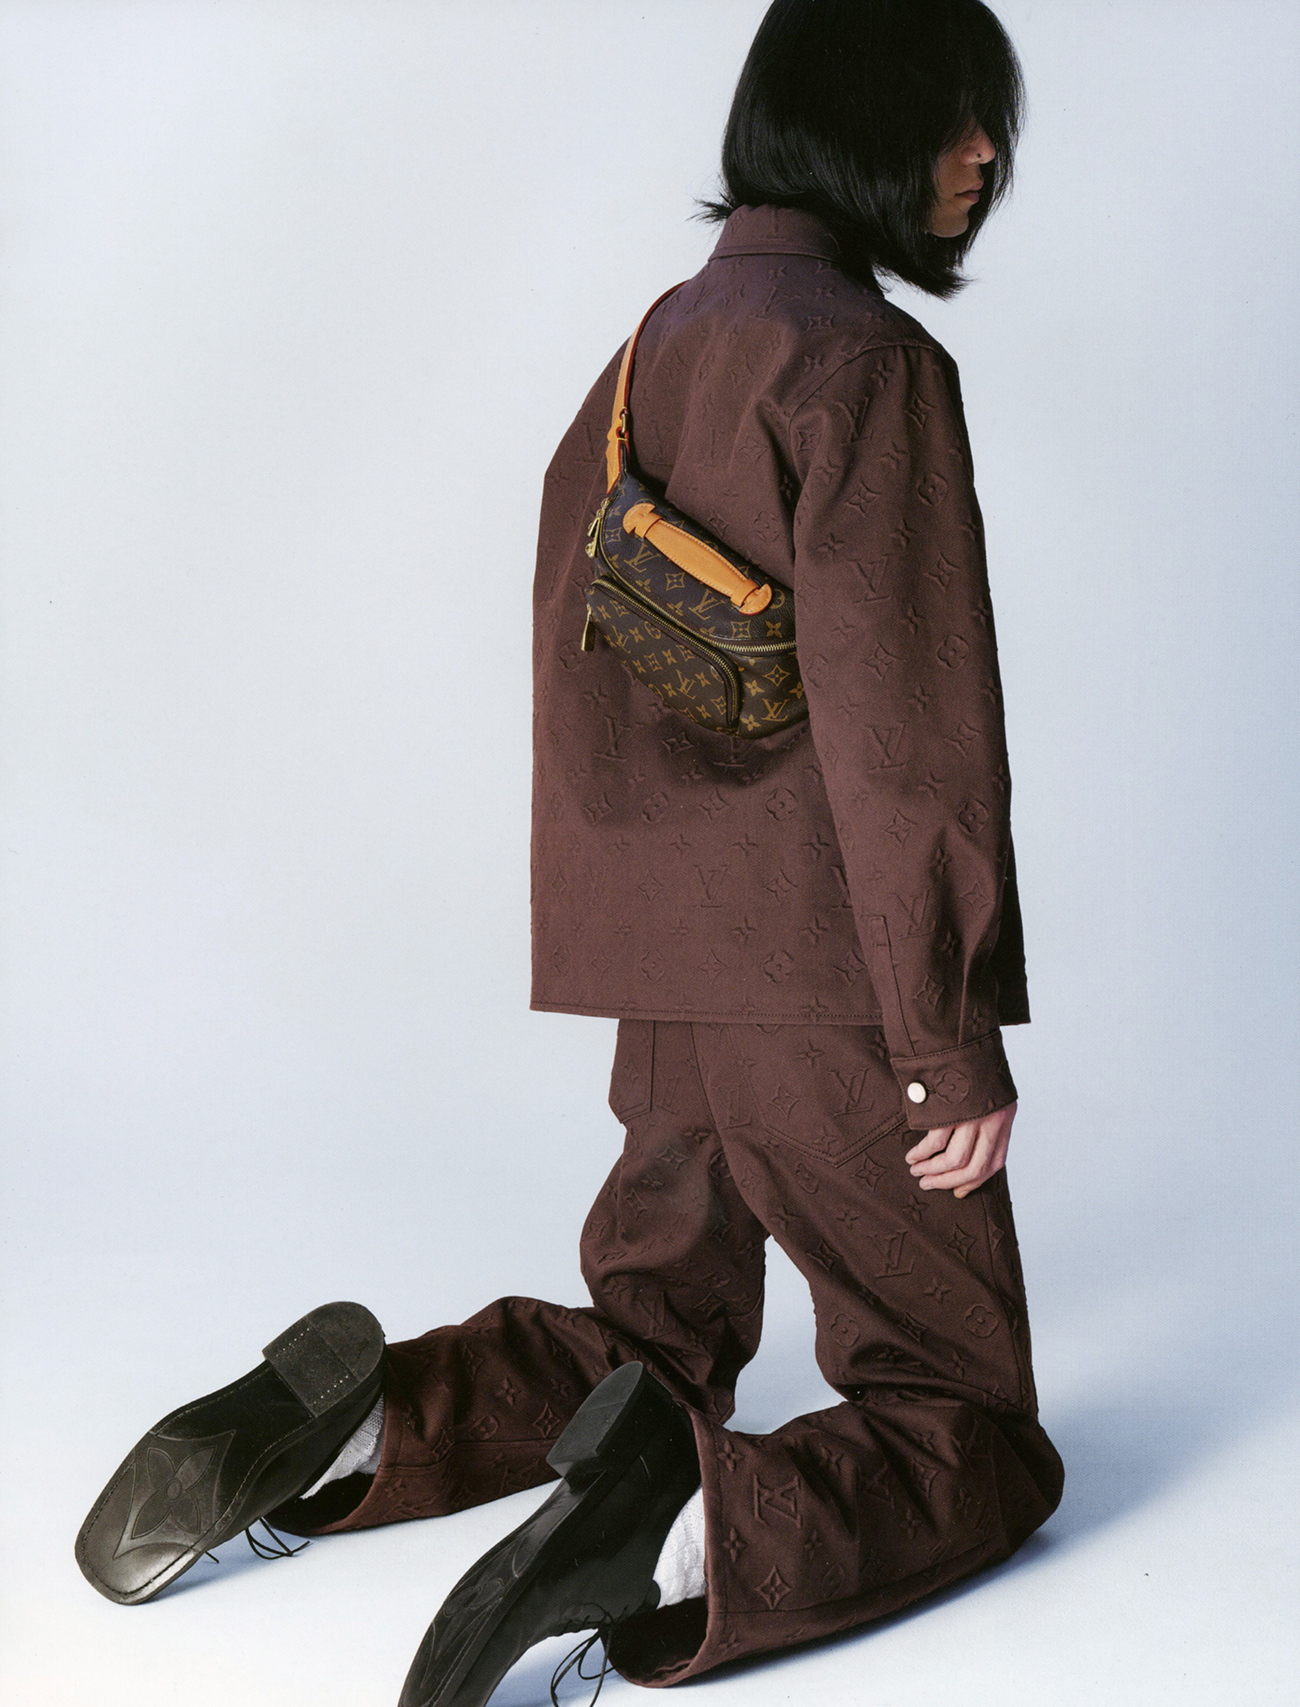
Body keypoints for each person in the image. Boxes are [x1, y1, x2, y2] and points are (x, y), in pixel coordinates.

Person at [74, 2, 1064, 1702]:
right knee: (964, 1417)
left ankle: (369, 1421)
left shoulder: (656, 346)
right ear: (855, 121)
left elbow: (580, 653)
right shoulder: (866, 365)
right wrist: (945, 1038)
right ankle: (684, 1532)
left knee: (649, 1339)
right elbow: (913, 737)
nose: (983, 156)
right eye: (955, 116)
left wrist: (634, 926)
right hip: (824, 982)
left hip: (664, 984)